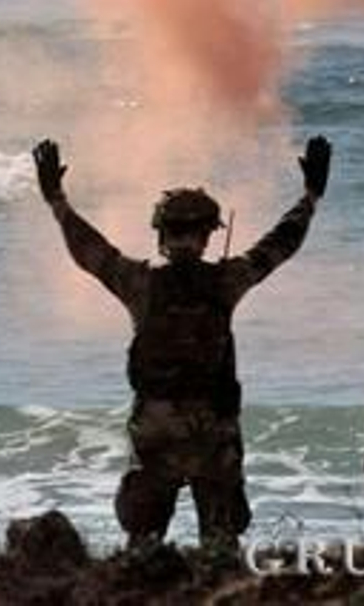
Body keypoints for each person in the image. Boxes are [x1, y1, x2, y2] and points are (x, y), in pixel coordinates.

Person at [32, 135, 332, 552]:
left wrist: (57, 201)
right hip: (213, 430)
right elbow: (279, 244)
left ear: (161, 233)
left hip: (156, 429)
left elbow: (90, 250)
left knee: (143, 543)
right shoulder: (227, 279)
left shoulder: (139, 282)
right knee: (221, 546)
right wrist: (310, 198)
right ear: (208, 235)